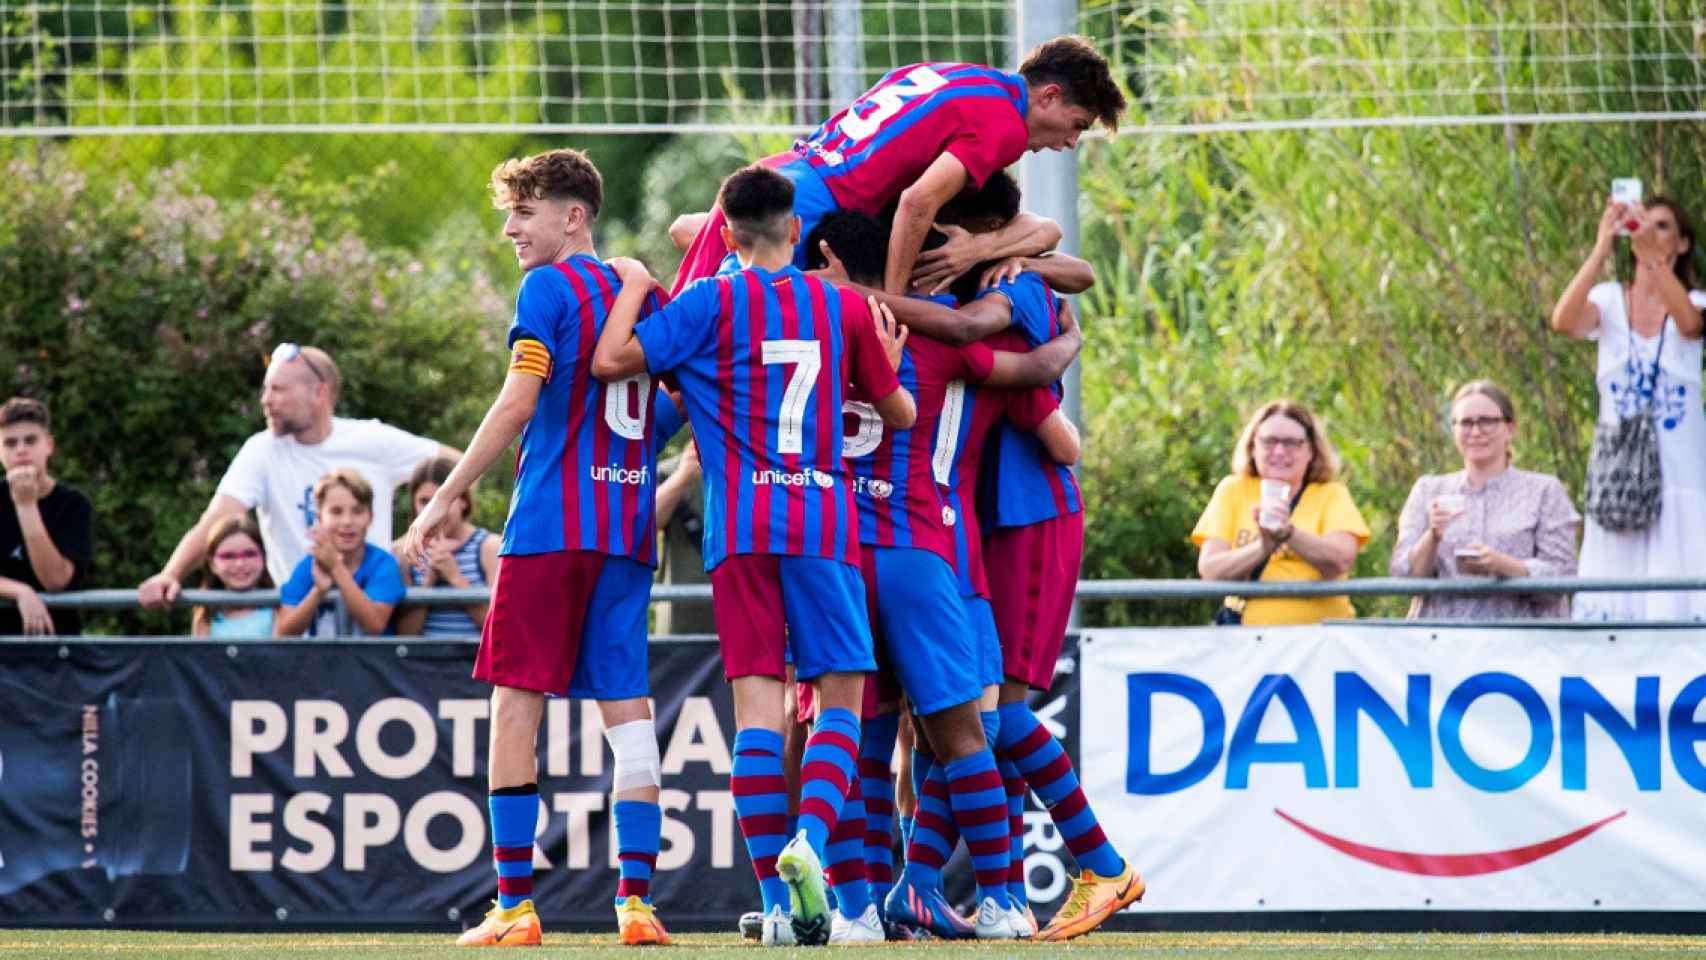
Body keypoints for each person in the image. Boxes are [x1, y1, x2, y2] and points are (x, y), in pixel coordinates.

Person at [589, 163, 916, 946]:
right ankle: (812, 842)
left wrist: (634, 286)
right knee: (841, 690)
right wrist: (890, 360)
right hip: (823, 524)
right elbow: (898, 414)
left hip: (739, 529)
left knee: (758, 715)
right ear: (797, 230)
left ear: (726, 235)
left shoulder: (707, 301)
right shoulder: (841, 306)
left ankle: (775, 901)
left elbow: (612, 363)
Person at [397, 147, 676, 948]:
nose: (512, 229)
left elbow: (520, 400)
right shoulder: (641, 299)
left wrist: (446, 497)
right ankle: (635, 902)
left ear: (573, 216)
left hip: (552, 528)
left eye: (525, 212)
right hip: (625, 531)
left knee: (514, 706)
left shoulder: (549, 287)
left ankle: (515, 907)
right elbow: (660, 413)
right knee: (629, 711)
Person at [804, 209, 1084, 941]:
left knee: (854, 736)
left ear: (828, 259)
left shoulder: (815, 332)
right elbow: (1033, 374)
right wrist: (1068, 338)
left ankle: (855, 910)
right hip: (920, 550)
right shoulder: (941, 337)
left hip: (831, 553)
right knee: (965, 735)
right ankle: (1000, 899)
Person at [669, 35, 1126, 296]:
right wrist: (889, 305)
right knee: (713, 330)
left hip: (786, 171)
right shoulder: (1005, 125)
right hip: (810, 203)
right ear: (1049, 96)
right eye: (1076, 125)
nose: (1069, 143)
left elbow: (1043, 230)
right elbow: (918, 200)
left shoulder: (960, 75)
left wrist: (978, 250)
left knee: (693, 283)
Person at [136, 344, 456, 608]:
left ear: (318, 393)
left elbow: (458, 465)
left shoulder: (371, 440)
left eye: (277, 389)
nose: (265, 401)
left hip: (371, 619)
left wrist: (414, 539)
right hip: (297, 620)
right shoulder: (262, 450)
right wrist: (171, 574)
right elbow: (217, 518)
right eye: (265, 390)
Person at [1550, 194, 1706, 621]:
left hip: (1679, 473)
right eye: (1642, 225)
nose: (1650, 234)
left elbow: (1690, 327)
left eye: (1662, 227)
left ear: (1682, 243)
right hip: (1622, 475)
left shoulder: (1696, 302)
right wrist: (1602, 246)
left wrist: (1655, 265)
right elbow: (1563, 321)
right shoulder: (1609, 300)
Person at [1390, 381, 1581, 619]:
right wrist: (1433, 536)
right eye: (1466, 423)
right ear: (1454, 429)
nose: (1476, 431)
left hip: (1524, 642)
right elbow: (1403, 576)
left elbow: (1563, 578)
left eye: (1487, 421)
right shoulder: (1429, 490)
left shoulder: (1544, 490)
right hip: (1442, 641)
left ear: (1510, 427)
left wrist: (1506, 567)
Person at [1194, 400, 1370, 625]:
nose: (1279, 451)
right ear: (1252, 447)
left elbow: (1340, 561)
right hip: (1245, 640)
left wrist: (1289, 534)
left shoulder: (1332, 494)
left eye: (1291, 443)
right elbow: (1210, 571)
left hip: (1320, 642)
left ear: (1311, 451)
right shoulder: (1232, 490)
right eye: (1269, 441)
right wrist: (1263, 548)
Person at [0, 398, 93, 637]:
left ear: (49, 445)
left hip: (56, 648)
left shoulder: (74, 504)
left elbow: (55, 580)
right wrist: (19, 591)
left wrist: (26, 506)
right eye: (10, 443)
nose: (21, 450)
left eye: (30, 440)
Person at [274, 469, 405, 638]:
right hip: (324, 663)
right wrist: (318, 592)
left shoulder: (382, 563)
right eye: (336, 512)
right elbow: (284, 632)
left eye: (357, 511)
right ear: (320, 518)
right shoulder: (309, 565)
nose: (347, 521)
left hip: (372, 663)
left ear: (370, 517)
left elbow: (375, 624)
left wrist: (336, 569)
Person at [391, 457, 498, 638]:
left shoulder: (489, 547)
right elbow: (405, 634)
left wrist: (455, 577)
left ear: (463, 501)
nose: (433, 512)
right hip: (422, 662)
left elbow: (498, 629)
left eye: (441, 501)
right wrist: (428, 582)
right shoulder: (402, 551)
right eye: (424, 501)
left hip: (473, 661)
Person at [190, 514, 276, 638]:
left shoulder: (277, 609)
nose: (240, 564)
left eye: (249, 554)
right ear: (212, 564)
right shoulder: (206, 616)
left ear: (263, 557)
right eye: (228, 556)